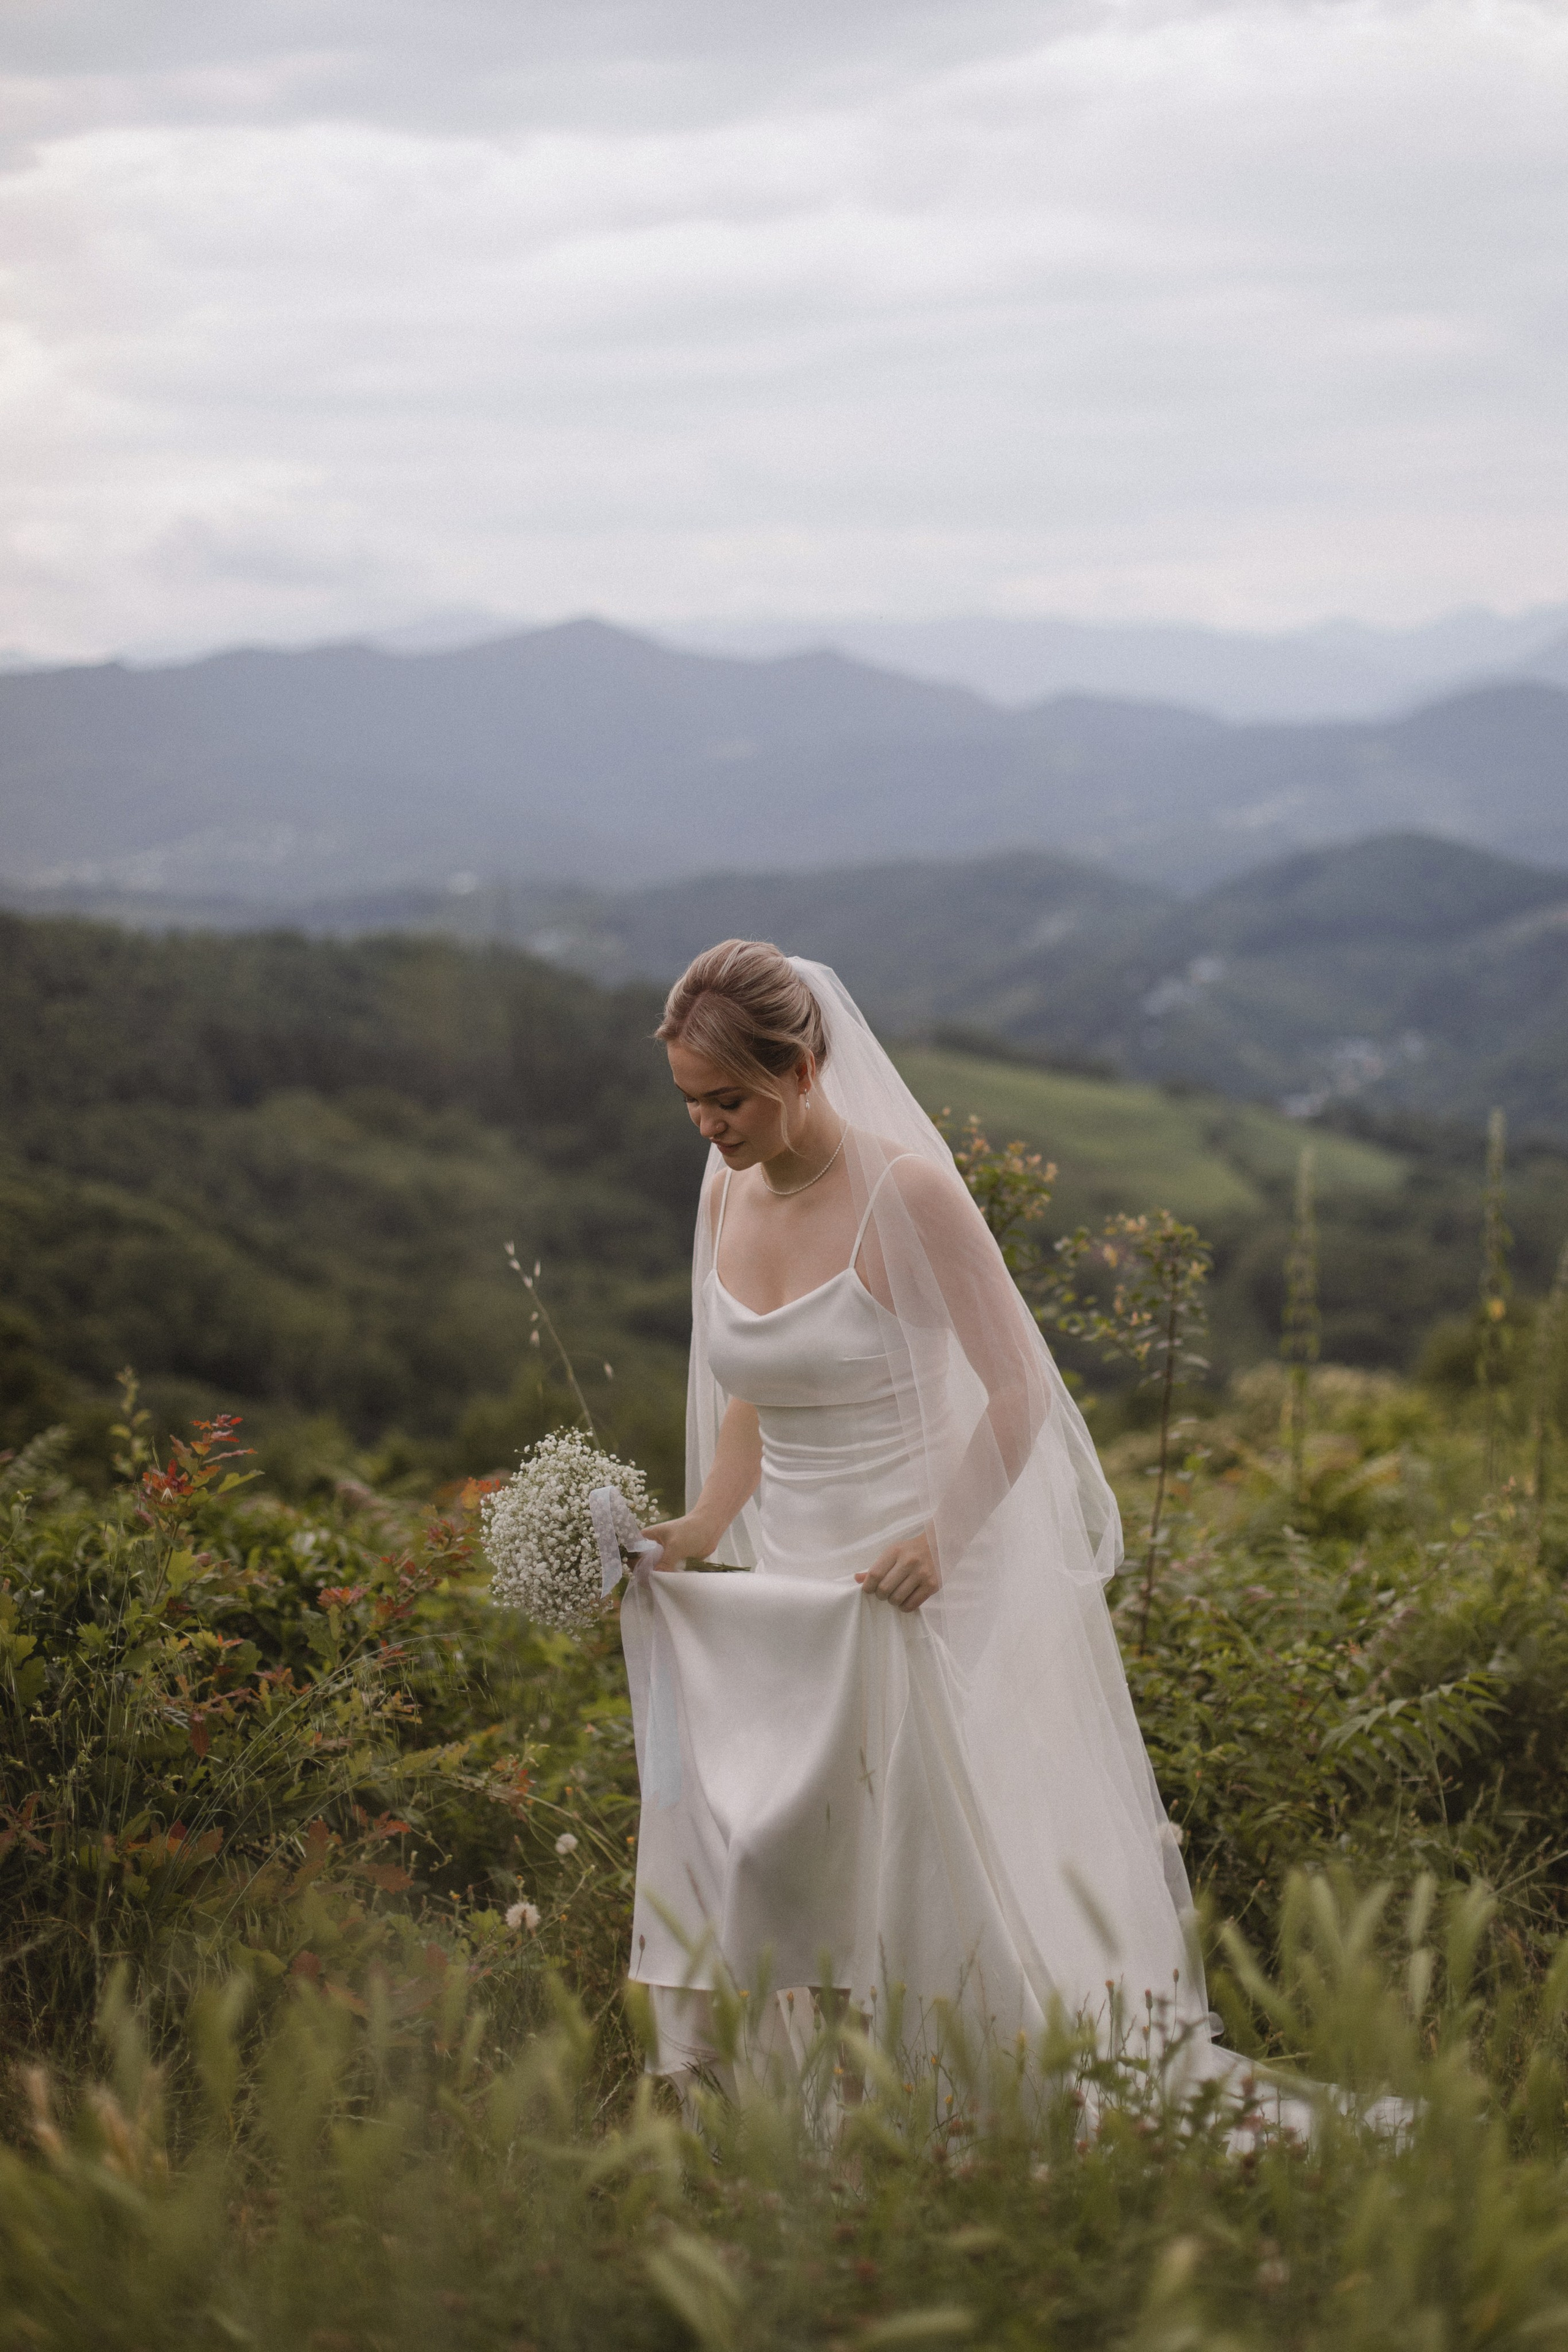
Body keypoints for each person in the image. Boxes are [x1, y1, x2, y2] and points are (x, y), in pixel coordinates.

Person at [619, 939, 1205, 2092]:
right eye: (691, 1102)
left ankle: (972, 2100)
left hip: (921, 1571)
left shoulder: (906, 1193)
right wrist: (696, 1529)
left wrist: (941, 1539)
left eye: (727, 1098)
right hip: (794, 1584)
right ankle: (813, 2105)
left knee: (916, 1856)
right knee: (789, 1844)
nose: (708, 1126)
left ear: (802, 1065)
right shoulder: (724, 1190)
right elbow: (753, 1393)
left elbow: (1017, 1388)